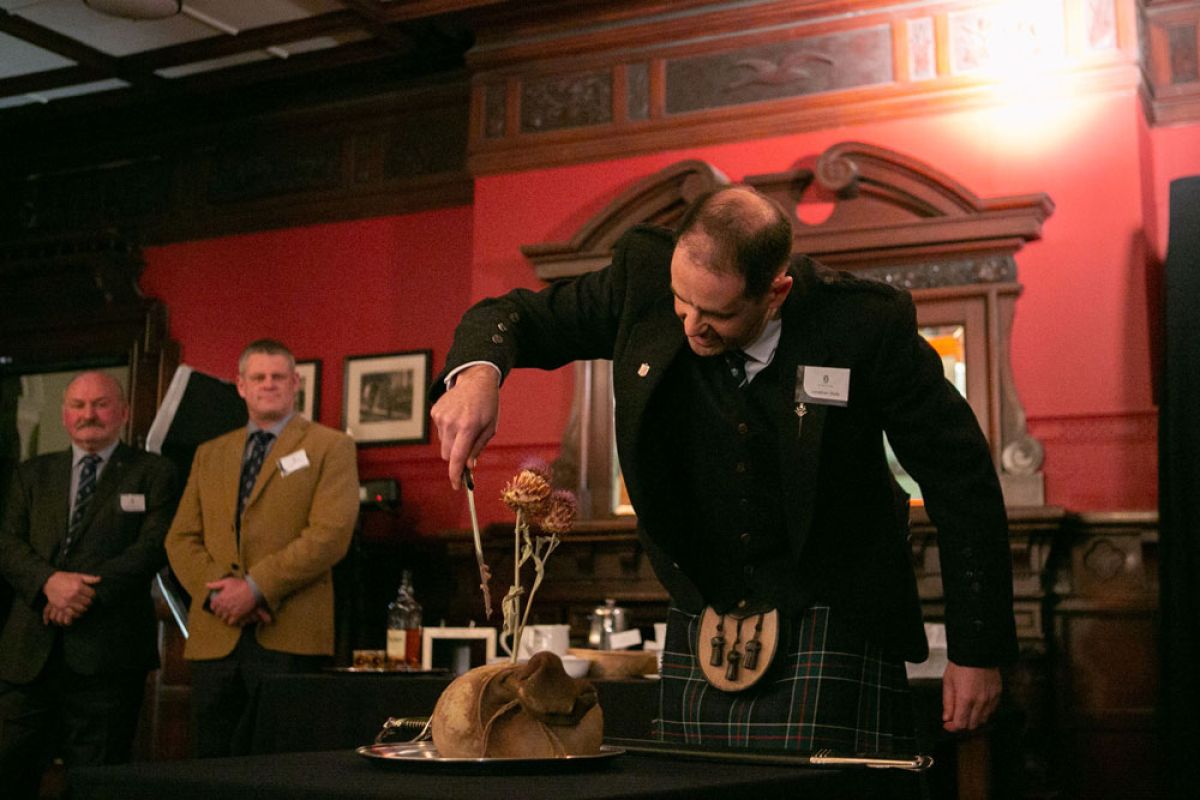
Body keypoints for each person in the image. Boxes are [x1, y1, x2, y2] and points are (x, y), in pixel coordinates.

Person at [431, 185, 1017, 753]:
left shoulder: (861, 323)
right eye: (682, 302)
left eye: (717, 313)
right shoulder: (643, 280)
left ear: (776, 292)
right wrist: (479, 375)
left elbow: (959, 477)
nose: (690, 325)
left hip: (835, 610)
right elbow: (515, 315)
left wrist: (977, 651)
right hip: (701, 606)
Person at [165, 339, 359, 757]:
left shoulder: (331, 446)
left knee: (281, 765)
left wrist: (255, 589)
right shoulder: (209, 454)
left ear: (295, 383)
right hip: (215, 635)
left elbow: (330, 535)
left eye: (277, 377)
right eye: (258, 377)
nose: (268, 384)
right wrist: (221, 593)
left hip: (289, 634)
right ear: (241, 385)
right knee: (210, 768)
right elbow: (179, 538)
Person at [0, 372, 177, 798]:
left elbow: (152, 548)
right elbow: (7, 544)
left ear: (124, 412)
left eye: (100, 404)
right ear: (64, 415)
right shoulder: (31, 473)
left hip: (109, 658)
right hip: (28, 657)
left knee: (96, 783)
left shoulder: (154, 472)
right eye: (78, 405)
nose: (88, 414)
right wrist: (48, 583)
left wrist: (81, 593)